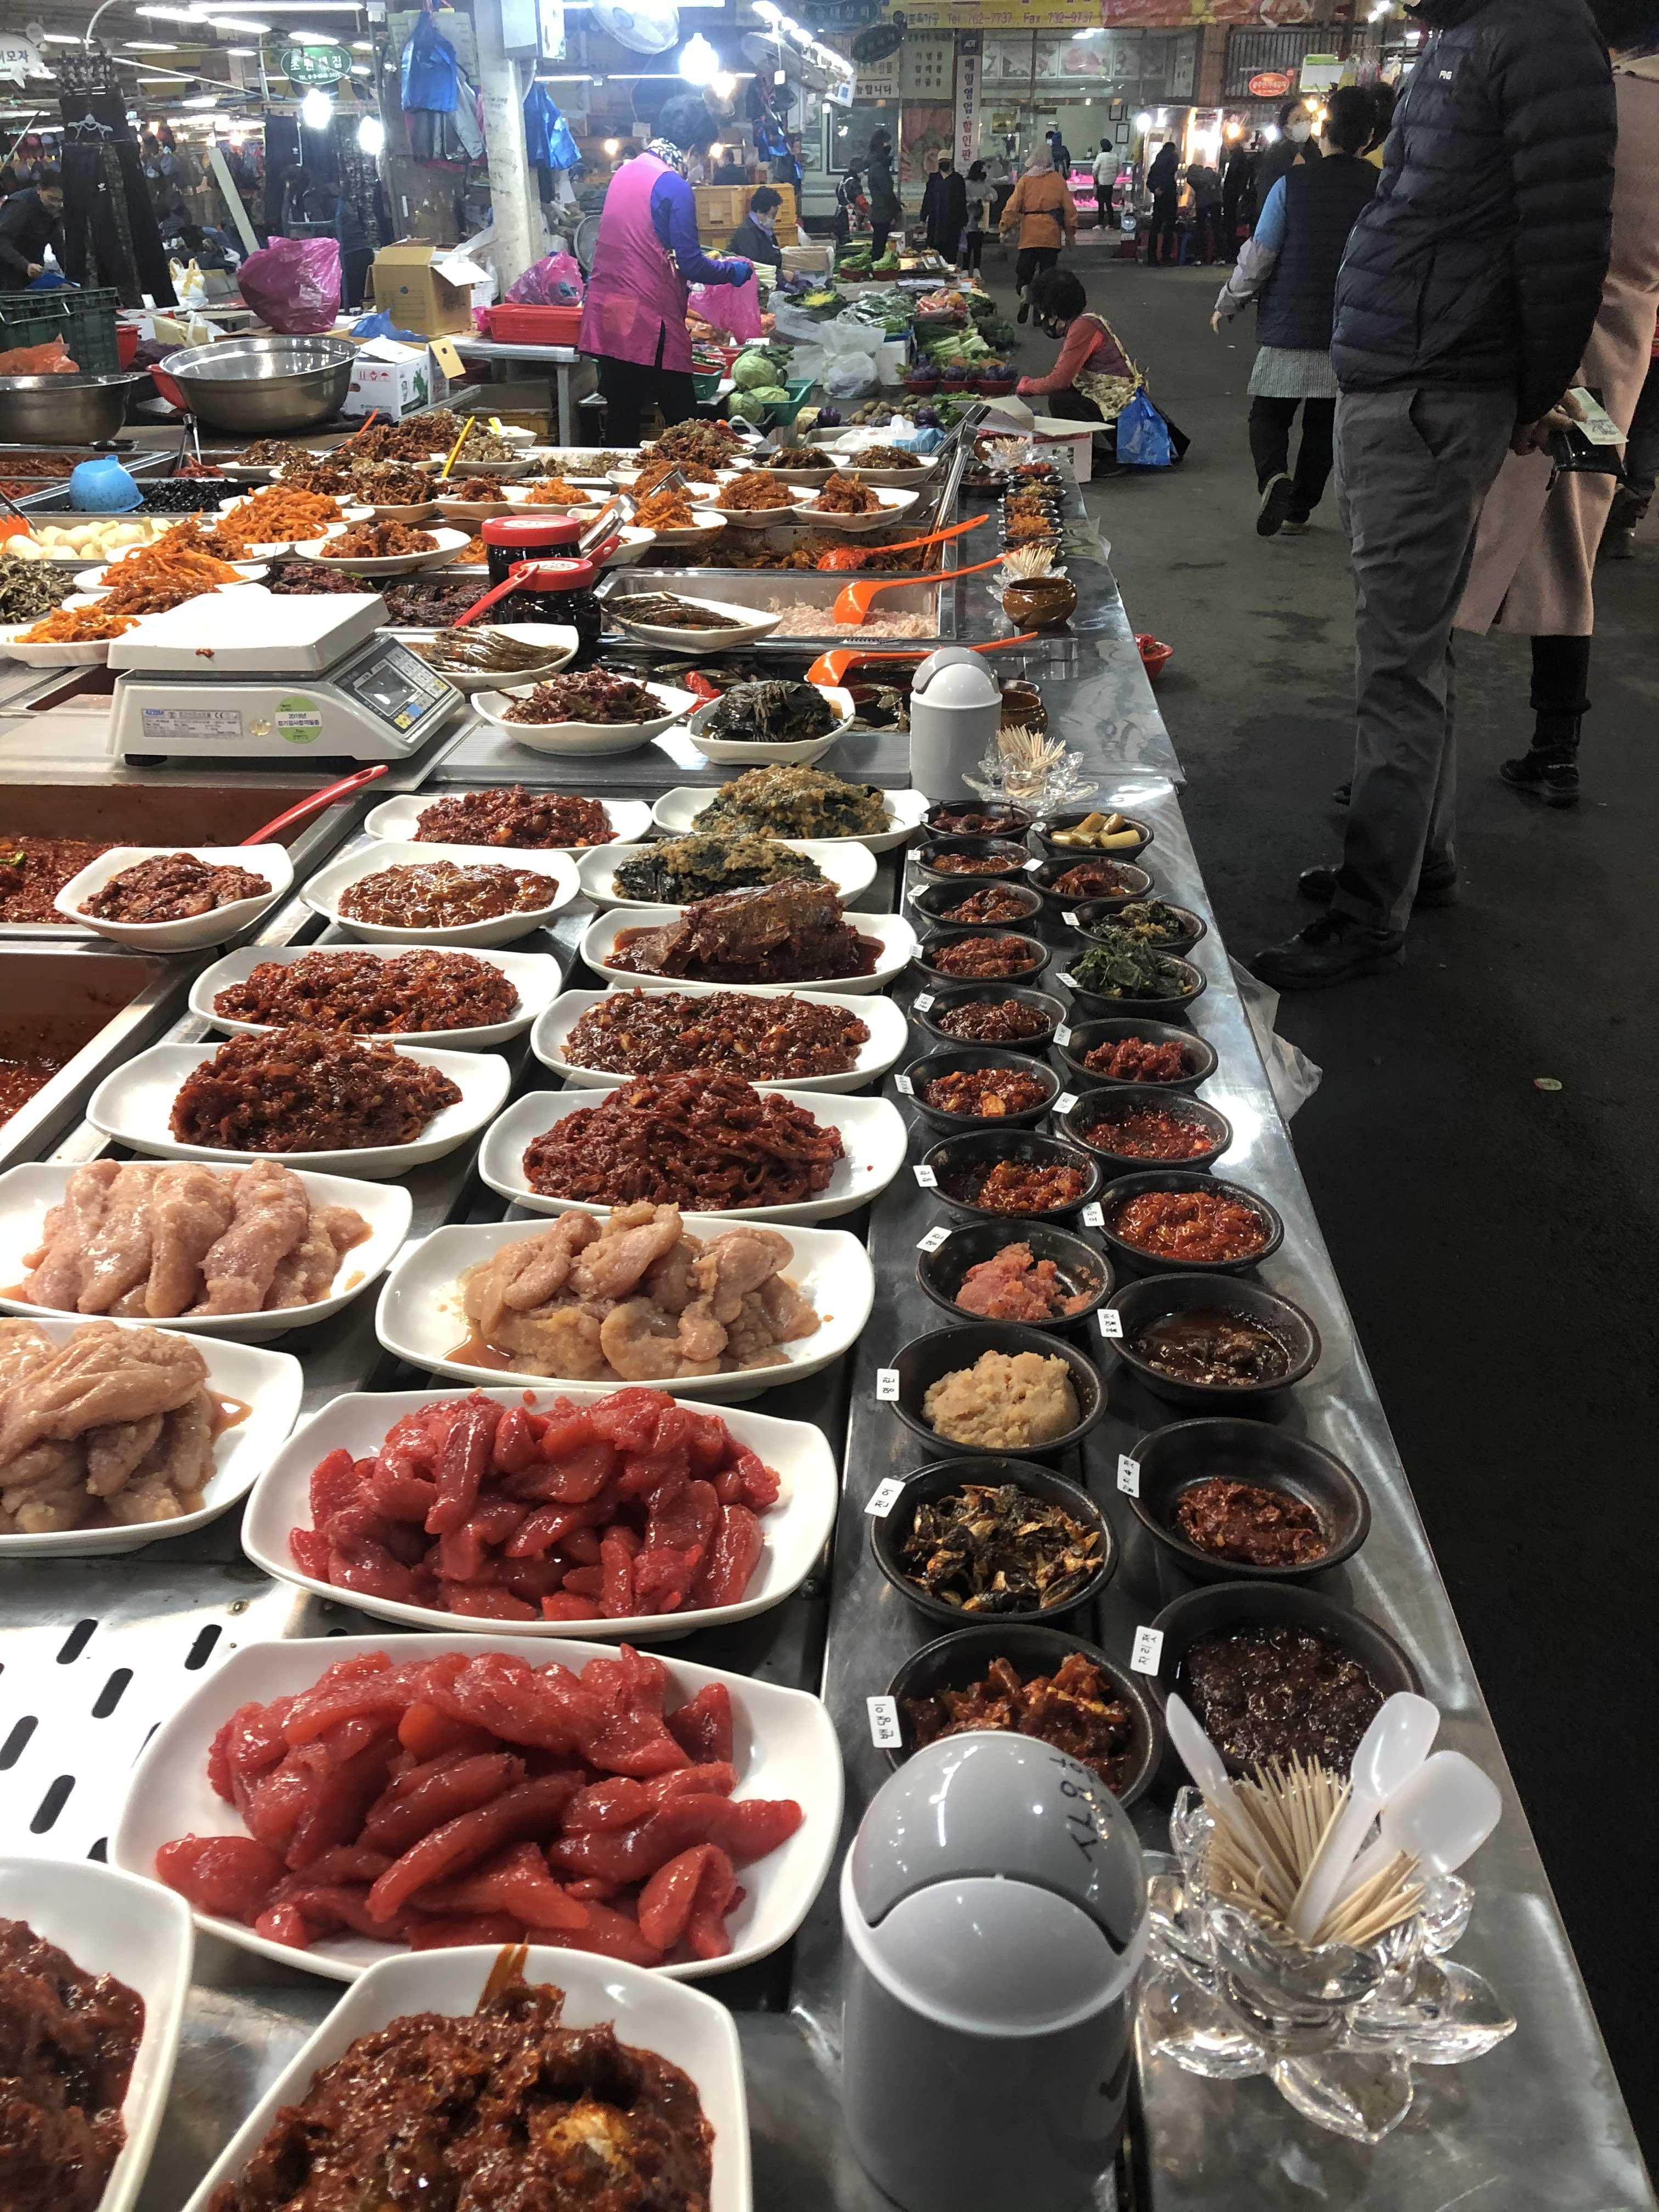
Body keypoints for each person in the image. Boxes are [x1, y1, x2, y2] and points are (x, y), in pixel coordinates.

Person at [1252, 0, 1616, 990]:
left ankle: (1370, 909)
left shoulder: (1535, 34)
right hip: (1405, 374)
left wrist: (1532, 392)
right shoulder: (1472, 35)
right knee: (1412, 645)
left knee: (1396, 663)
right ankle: (1423, 859)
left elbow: (1567, 241)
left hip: (1433, 382)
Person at [1451, 4, 1659, 807]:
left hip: (1520, 357)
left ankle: (1408, 748)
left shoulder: (1584, 97)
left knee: (1445, 540)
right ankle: (1557, 748)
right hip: (1613, 368)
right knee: (1572, 546)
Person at [1211, 86, 1378, 538]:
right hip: (1351, 328)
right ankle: (1299, 509)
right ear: (1369, 138)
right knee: (1323, 425)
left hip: (1290, 322)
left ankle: (1274, 478)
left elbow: (1260, 255)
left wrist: (1229, 301)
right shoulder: (1384, 189)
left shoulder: (1293, 185)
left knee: (1269, 413)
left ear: (1323, 131)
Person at [578, 94, 754, 448]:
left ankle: (617, 482)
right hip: (649, 321)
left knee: (622, 421)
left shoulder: (625, 172)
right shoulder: (674, 185)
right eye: (702, 155)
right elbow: (691, 264)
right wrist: (732, 271)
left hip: (609, 313)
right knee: (685, 425)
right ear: (693, 148)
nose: (700, 164)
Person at [1016, 266, 1136, 442]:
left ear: (1057, 313)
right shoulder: (1088, 321)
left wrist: (1028, 386)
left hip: (1122, 416)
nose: (1046, 321)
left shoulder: (1083, 328)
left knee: (1060, 399)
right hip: (1118, 408)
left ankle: (1099, 451)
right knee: (1071, 390)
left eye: (1047, 315)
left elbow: (1058, 381)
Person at [999, 146, 1076, 324]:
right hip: (1051, 235)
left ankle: (1025, 293)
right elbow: (1069, 209)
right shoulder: (1058, 180)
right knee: (1047, 276)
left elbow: (1012, 207)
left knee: (1024, 272)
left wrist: (1004, 227)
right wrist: (1070, 234)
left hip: (1029, 235)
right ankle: (1041, 311)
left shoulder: (1025, 181)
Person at [1601, 346, 1659, 556]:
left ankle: (1605, 499)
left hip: (1632, 348)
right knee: (1648, 428)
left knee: (1611, 418)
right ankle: (1633, 502)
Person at [1251, 100, 1321, 211]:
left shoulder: (1316, 152)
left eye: (1308, 119)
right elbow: (1266, 193)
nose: (1305, 123)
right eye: (1297, 120)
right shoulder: (1275, 155)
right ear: (1285, 127)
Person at [0, 165, 64, 283]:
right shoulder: (19, 206)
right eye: (52, 199)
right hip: (7, 271)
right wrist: (26, 265)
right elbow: (2, 241)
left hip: (35, 272)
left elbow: (58, 245)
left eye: (60, 201)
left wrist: (71, 278)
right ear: (39, 189)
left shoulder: (54, 211)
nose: (56, 205)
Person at [728, 183, 784, 270]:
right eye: (773, 216)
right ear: (760, 211)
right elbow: (754, 267)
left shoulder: (764, 230)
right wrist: (781, 274)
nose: (774, 220)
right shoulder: (746, 233)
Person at [1144, 140, 1180, 267]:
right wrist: (1163, 188)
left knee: (1156, 227)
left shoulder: (1157, 162)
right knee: (1169, 227)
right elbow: (1169, 177)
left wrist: (1155, 189)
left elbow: (1149, 180)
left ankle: (1152, 257)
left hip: (1159, 199)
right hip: (1169, 197)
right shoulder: (1172, 159)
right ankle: (1166, 256)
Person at [866, 130, 899, 264]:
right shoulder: (879, 167)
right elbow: (887, 192)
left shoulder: (876, 165)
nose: (890, 147)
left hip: (880, 212)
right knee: (879, 249)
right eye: (888, 143)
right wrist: (896, 209)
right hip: (882, 213)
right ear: (882, 144)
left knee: (879, 245)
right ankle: (877, 271)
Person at [926, 154, 967, 260]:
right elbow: (927, 198)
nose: (943, 162)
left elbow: (962, 200)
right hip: (936, 222)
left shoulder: (958, 179)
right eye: (941, 160)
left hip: (953, 222)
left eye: (946, 160)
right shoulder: (933, 178)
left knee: (951, 253)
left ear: (951, 162)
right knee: (935, 255)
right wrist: (923, 217)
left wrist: (963, 221)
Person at [1187, 154, 1224, 263]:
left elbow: (1196, 187)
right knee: (1217, 228)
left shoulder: (1192, 176)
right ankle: (1220, 256)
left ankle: (1200, 257)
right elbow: (1219, 178)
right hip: (1217, 201)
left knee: (1201, 228)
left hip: (1203, 203)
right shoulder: (1210, 172)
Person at [1220, 137, 1251, 258]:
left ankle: (1230, 250)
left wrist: (1228, 191)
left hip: (1232, 194)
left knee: (1230, 222)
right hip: (1236, 193)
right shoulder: (1242, 158)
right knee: (1232, 222)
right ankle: (1232, 250)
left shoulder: (1236, 158)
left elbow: (1233, 176)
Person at [834, 163, 868, 252]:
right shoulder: (854, 183)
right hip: (849, 214)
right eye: (863, 172)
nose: (864, 175)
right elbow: (860, 200)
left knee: (842, 239)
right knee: (851, 240)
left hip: (839, 213)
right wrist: (869, 211)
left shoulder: (842, 182)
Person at [962, 160, 989, 272]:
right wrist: (974, 200)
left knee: (978, 247)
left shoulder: (984, 184)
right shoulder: (967, 184)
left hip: (981, 220)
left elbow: (994, 194)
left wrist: (990, 197)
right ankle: (965, 269)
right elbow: (963, 198)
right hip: (969, 220)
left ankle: (976, 269)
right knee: (967, 247)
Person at [1091, 139, 1117, 228]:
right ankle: (1111, 224)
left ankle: (1101, 223)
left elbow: (1095, 169)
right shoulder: (1115, 156)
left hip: (1102, 183)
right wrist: (1114, 178)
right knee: (1109, 203)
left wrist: (1095, 179)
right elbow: (1119, 169)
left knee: (1101, 204)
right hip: (1110, 184)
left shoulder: (1101, 156)